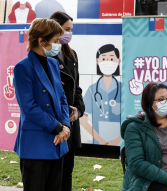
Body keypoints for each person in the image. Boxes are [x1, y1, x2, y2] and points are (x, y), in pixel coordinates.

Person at [13, 18, 70, 191]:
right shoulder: (23, 67)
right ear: (41, 41)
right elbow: (29, 107)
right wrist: (58, 127)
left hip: (58, 141)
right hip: (36, 143)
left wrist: (66, 125)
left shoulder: (53, 63)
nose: (58, 45)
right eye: (55, 41)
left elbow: (62, 98)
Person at [50, 11, 85, 191]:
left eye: (71, 29)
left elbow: (77, 87)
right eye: (66, 29)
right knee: (56, 171)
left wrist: (79, 109)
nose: (69, 34)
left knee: (68, 171)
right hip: (56, 122)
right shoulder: (48, 55)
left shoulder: (72, 55)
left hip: (72, 121)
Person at [81, 44, 121, 146]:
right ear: (97, 61)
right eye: (104, 59)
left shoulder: (123, 89)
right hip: (97, 142)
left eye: (111, 59)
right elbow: (83, 119)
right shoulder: (91, 89)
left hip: (120, 143)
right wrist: (101, 141)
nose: (107, 62)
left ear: (118, 62)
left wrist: (117, 141)